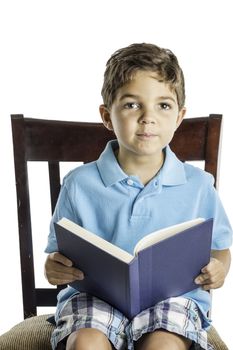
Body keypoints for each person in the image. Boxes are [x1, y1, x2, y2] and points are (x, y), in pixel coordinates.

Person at [44, 43, 232, 350]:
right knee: (86, 344)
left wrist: (220, 268)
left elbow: (220, 249)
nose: (148, 118)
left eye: (163, 105)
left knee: (164, 345)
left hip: (173, 300)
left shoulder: (198, 185)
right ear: (107, 116)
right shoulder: (78, 184)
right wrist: (53, 267)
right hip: (95, 301)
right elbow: (58, 256)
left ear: (179, 116)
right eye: (132, 105)